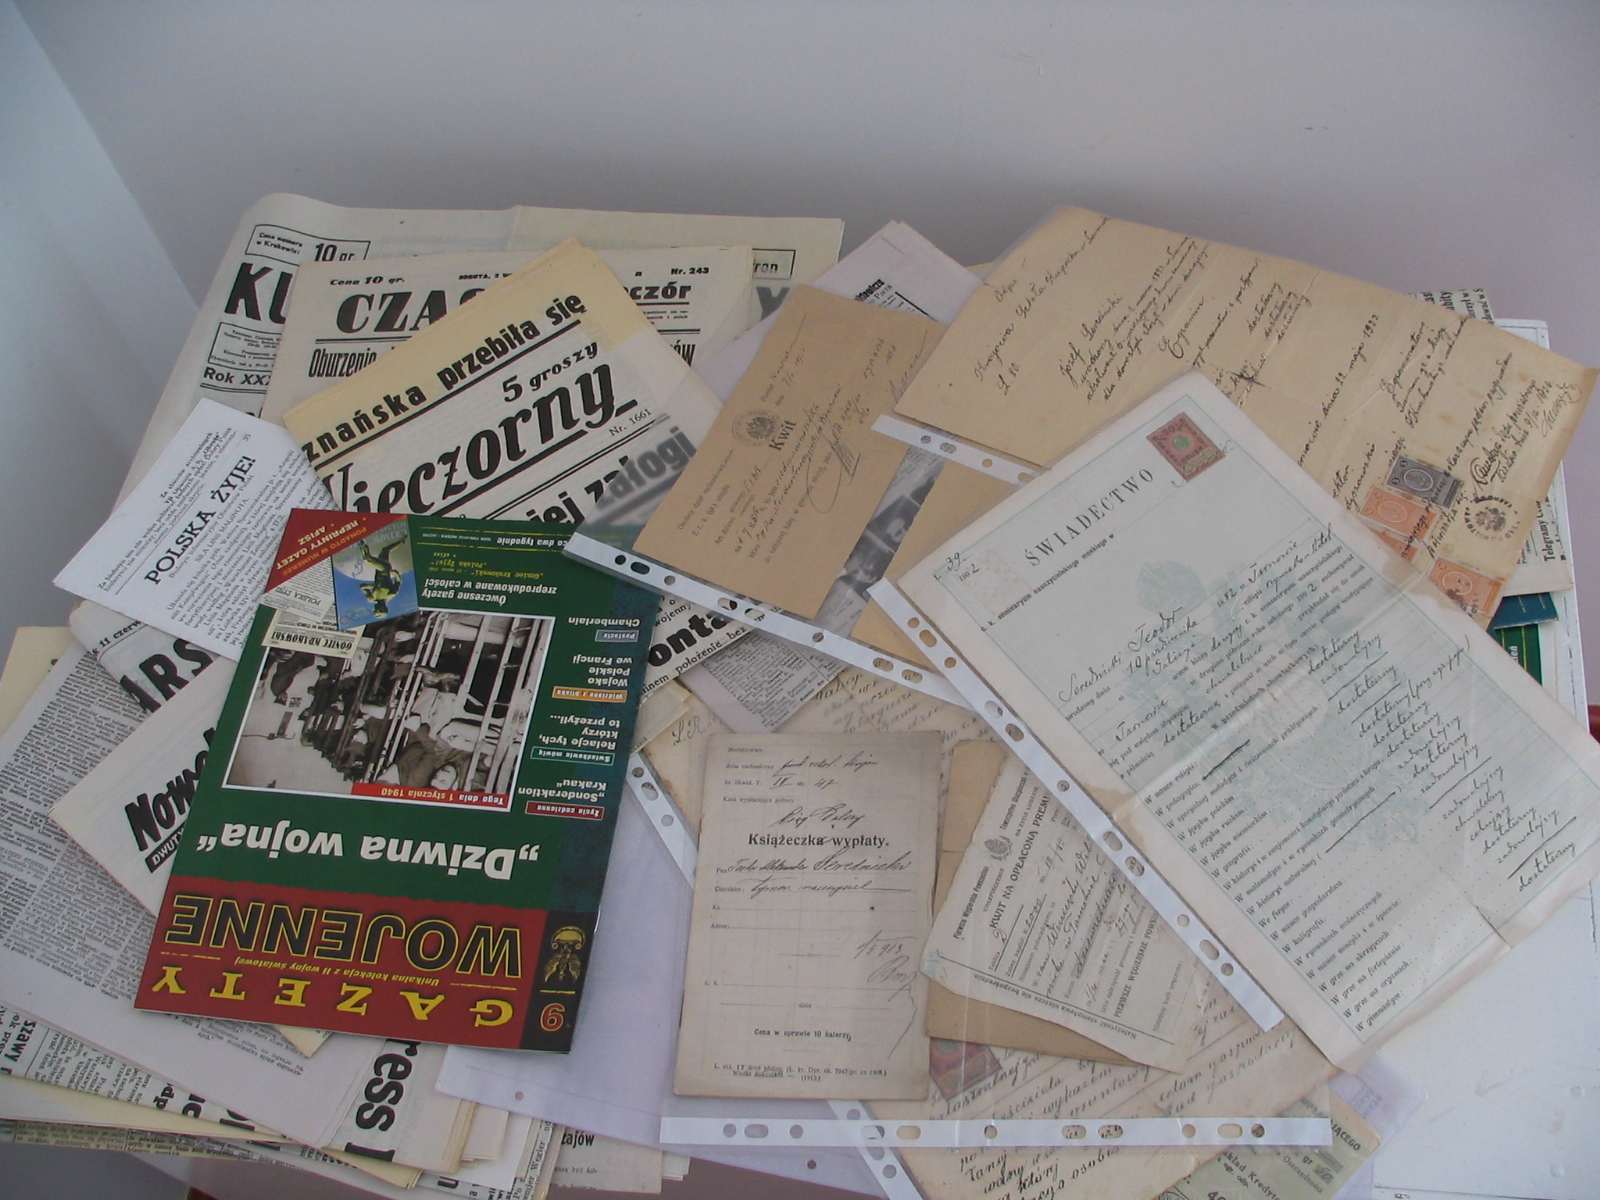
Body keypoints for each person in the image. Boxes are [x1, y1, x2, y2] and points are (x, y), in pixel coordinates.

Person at [357, 539, 403, 617]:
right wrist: (396, 574)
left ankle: (402, 541)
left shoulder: (372, 597)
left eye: (374, 610)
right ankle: (362, 542)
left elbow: (362, 587)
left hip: (379, 568)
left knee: (385, 550)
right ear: (383, 608)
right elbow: (398, 582)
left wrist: (372, 587)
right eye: (377, 610)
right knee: (367, 559)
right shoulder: (390, 594)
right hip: (385, 568)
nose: (374, 608)